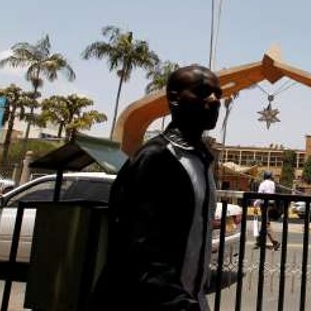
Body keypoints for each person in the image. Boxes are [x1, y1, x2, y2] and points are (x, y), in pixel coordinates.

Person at [90, 64, 222, 311]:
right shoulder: (157, 159)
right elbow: (142, 254)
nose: (215, 100)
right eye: (203, 92)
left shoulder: (202, 161)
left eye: (218, 95)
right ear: (173, 98)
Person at [254, 171, 281, 250]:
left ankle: (275, 242)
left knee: (266, 224)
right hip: (271, 205)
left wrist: (255, 204)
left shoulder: (262, 184)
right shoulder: (272, 184)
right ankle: (260, 241)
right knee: (264, 223)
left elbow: (260, 196)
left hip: (265, 205)